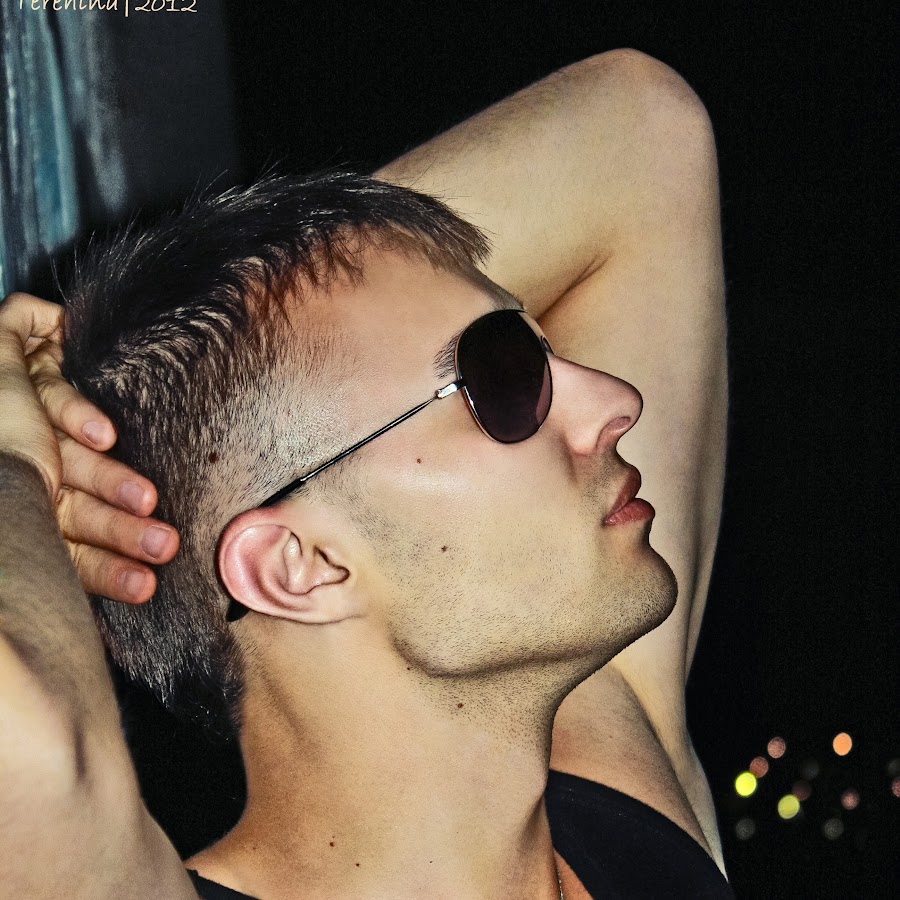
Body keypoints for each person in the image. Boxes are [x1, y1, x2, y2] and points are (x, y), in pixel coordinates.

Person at [0, 49, 729, 899]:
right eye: (500, 378)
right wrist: (19, 452)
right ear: (299, 564)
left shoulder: (630, 835)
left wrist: (140, 395)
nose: (616, 400)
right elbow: (28, 751)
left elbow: (642, 137)